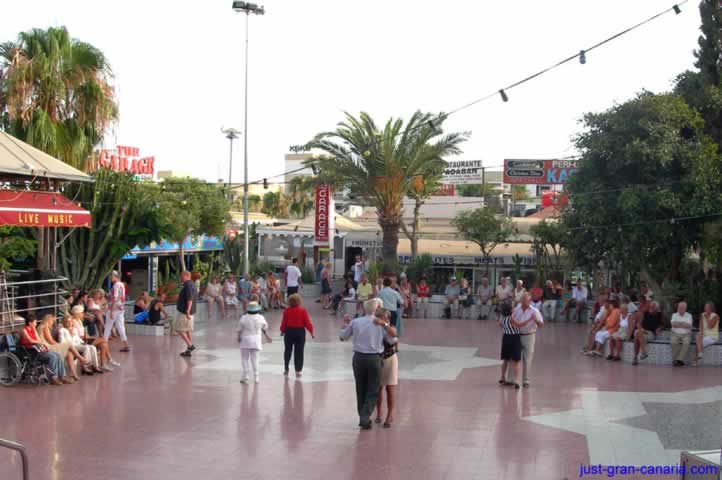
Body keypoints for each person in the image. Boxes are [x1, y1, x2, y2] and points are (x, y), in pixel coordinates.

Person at [339, 298, 398, 430]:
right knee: (373, 389)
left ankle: (363, 416)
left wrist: (344, 326)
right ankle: (365, 417)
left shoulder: (356, 322)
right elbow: (393, 339)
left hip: (358, 358)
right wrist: (385, 325)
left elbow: (342, 336)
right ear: (376, 308)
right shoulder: (379, 324)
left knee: (360, 388)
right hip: (374, 359)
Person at [19, 316, 70, 385]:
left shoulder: (33, 329)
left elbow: (39, 339)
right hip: (31, 351)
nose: (36, 324)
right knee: (53, 357)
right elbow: (30, 340)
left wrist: (36, 335)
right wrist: (39, 342)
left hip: (38, 349)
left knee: (57, 355)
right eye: (35, 323)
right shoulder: (24, 330)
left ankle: (62, 377)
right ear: (30, 323)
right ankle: (53, 378)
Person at [508, 293, 543, 388]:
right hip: (517, 335)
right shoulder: (517, 310)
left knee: (527, 359)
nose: (525, 302)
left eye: (526, 300)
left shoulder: (535, 311)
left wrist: (536, 320)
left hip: (529, 336)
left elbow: (541, 325)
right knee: (514, 358)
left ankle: (526, 380)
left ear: (530, 301)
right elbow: (511, 321)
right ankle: (510, 379)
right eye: (523, 300)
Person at [37, 313, 86, 382]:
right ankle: (80, 358)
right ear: (48, 320)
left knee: (69, 353)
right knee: (68, 344)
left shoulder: (41, 327)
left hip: (46, 346)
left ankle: (71, 374)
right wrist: (60, 345)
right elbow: (50, 341)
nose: (53, 323)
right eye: (52, 321)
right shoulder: (45, 327)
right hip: (48, 347)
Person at [60, 307, 103, 375]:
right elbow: (62, 341)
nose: (70, 323)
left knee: (92, 347)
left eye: (70, 321)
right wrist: (70, 334)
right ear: (65, 323)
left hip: (78, 344)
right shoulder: (62, 330)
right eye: (68, 322)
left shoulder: (73, 329)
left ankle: (95, 366)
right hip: (71, 346)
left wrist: (82, 342)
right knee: (86, 348)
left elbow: (77, 338)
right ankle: (85, 367)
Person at [374, 308, 398, 428]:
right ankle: (378, 413)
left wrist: (385, 325)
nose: (379, 318)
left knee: (390, 388)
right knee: (378, 389)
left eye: (381, 316)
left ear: (387, 318)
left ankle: (390, 415)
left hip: (389, 359)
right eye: (378, 316)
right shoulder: (374, 328)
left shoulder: (389, 327)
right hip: (377, 360)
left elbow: (394, 336)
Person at [280, 294, 315, 377]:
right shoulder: (302, 310)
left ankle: (286, 369)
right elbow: (307, 323)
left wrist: (282, 331)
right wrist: (311, 332)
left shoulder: (286, 311)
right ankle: (298, 370)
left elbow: (284, 322)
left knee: (288, 350)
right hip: (300, 332)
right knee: (299, 352)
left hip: (289, 332)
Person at [237, 301, 270, 384]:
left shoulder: (244, 318)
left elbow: (239, 329)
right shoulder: (261, 318)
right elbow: (265, 327)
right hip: (256, 340)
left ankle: (246, 376)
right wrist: (265, 333)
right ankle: (256, 377)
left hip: (245, 340)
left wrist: (238, 337)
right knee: (255, 359)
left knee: (244, 358)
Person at [104, 270, 130, 353]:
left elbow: (115, 297)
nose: (110, 278)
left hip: (114, 308)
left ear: (115, 276)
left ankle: (103, 346)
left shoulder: (116, 285)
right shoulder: (122, 284)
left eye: (111, 276)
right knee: (120, 327)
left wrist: (111, 310)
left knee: (108, 327)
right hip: (121, 308)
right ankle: (126, 345)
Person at [498, 302, 521, 389]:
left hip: (506, 338)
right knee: (516, 361)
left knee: (505, 360)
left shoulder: (502, 318)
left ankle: (502, 377)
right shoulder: (511, 318)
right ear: (511, 310)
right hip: (514, 338)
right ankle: (516, 380)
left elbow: (500, 325)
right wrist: (530, 320)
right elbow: (520, 325)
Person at [176, 271, 198, 357]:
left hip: (185, 313)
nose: (181, 278)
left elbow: (190, 299)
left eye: (181, 276)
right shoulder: (192, 284)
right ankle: (188, 351)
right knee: (188, 330)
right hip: (190, 312)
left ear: (186, 276)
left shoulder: (188, 285)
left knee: (178, 329)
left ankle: (190, 345)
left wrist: (187, 311)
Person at [694, 301, 719, 366]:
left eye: (707, 307)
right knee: (698, 336)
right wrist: (701, 333)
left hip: (712, 337)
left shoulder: (715, 316)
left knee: (698, 343)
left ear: (711, 308)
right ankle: (700, 353)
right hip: (704, 335)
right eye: (705, 307)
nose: (705, 308)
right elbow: (700, 326)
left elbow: (710, 326)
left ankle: (696, 361)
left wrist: (707, 317)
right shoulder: (702, 314)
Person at [670, 301, 693, 366]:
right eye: (680, 308)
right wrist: (683, 324)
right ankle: (675, 360)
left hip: (686, 334)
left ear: (685, 309)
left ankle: (679, 359)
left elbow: (689, 325)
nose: (681, 309)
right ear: (678, 308)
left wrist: (679, 323)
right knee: (673, 342)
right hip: (675, 333)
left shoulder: (689, 315)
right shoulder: (674, 315)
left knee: (686, 343)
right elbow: (673, 324)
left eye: (682, 308)